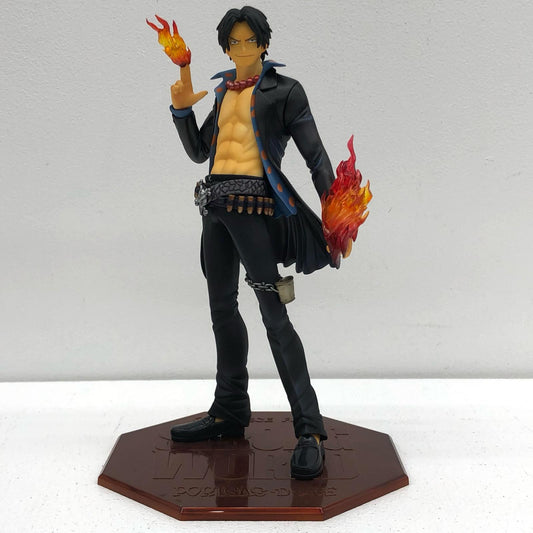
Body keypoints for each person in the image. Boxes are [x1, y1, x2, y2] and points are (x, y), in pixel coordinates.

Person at [168, 6, 336, 480]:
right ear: (226, 48)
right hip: (214, 209)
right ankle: (229, 409)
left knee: (273, 314)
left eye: (250, 41)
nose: (242, 49)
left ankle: (310, 429)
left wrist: (334, 211)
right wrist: (182, 109)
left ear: (264, 43)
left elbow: (315, 155)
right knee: (221, 308)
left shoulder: (285, 90)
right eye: (234, 43)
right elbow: (201, 152)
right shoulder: (223, 91)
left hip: (255, 210)